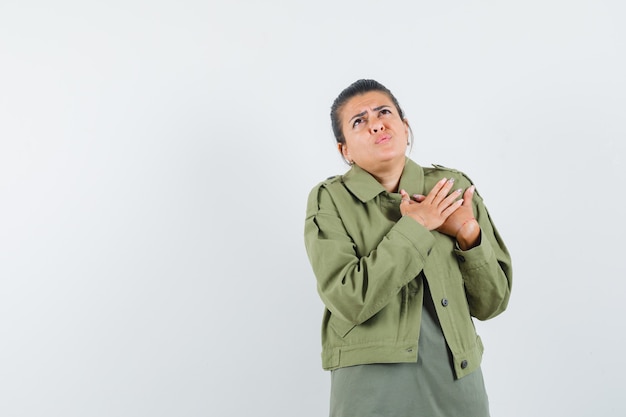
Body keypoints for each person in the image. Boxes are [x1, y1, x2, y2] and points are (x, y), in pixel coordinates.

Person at [304, 79, 512, 417]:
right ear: (345, 150)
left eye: (384, 112)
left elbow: (493, 302)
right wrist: (417, 226)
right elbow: (349, 299)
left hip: (457, 382)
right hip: (371, 388)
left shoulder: (451, 188)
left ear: (404, 126)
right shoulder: (330, 200)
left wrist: (468, 234)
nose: (376, 124)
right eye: (359, 121)